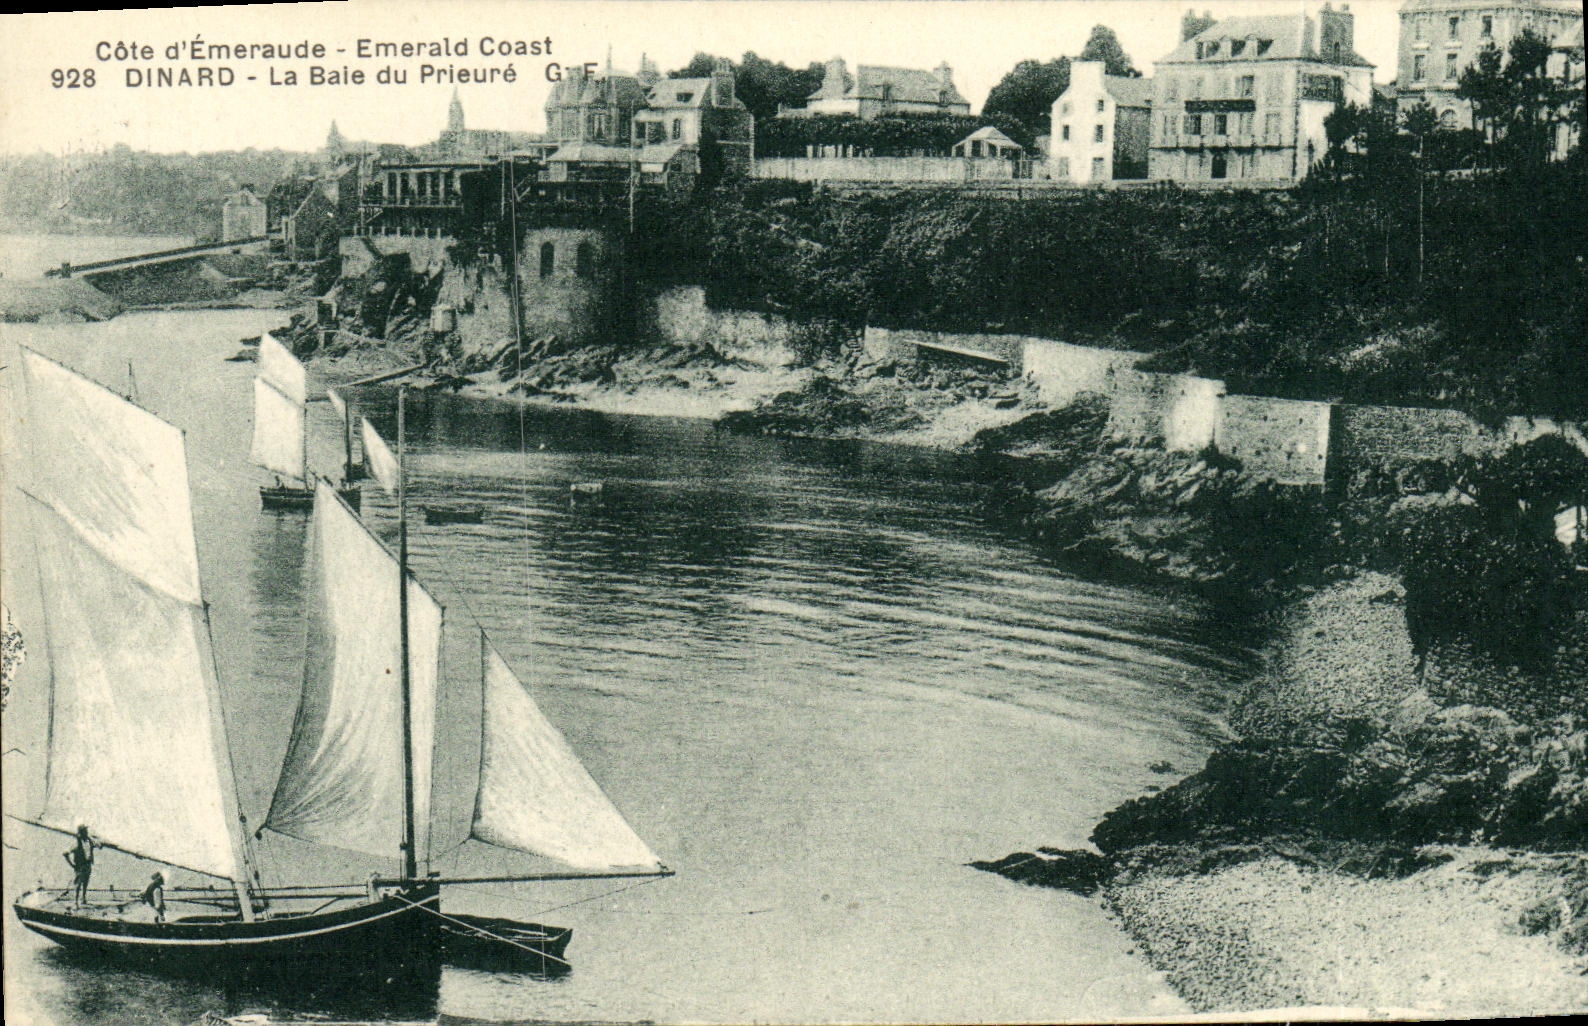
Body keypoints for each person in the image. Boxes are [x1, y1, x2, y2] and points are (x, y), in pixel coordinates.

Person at [62, 825, 94, 907]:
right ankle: (76, 902)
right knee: (78, 884)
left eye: (87, 831)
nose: (87, 833)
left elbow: (97, 845)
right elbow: (65, 854)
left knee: (86, 883)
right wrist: (72, 865)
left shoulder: (89, 841)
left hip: (87, 865)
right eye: (85, 831)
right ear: (81, 833)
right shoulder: (76, 844)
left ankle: (83, 899)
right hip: (80, 867)